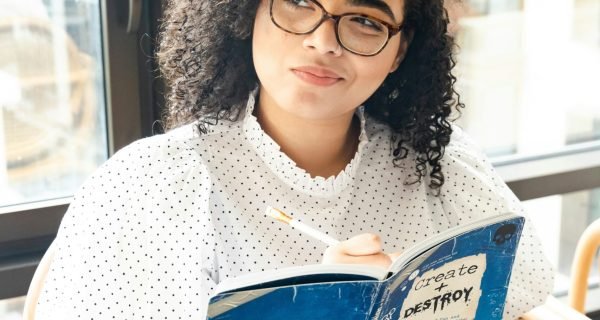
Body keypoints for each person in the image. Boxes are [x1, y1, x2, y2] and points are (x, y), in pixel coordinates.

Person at [31, 0, 554, 319]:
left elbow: (525, 293)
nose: (323, 41)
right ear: (247, 11)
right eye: (299, 0)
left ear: (400, 49)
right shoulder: (150, 186)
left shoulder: (443, 166)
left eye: (366, 20)